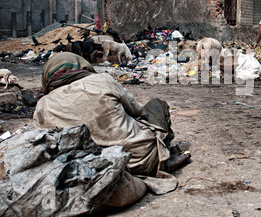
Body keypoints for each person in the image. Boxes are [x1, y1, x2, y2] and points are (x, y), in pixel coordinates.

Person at [33, 52, 191, 184]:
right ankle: (163, 158)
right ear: (82, 65)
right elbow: (138, 111)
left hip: (83, 172)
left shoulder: (42, 106)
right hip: (139, 161)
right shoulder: (102, 80)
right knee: (157, 105)